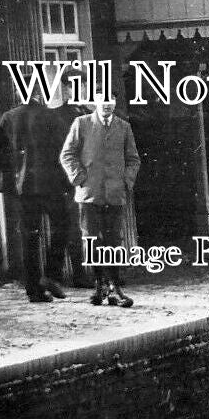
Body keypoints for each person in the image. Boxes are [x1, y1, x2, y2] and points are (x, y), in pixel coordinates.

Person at [0, 66, 82, 303]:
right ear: (39, 91)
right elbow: (64, 151)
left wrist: (15, 168)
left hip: (24, 188)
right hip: (52, 184)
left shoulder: (9, 117)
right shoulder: (52, 116)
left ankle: (33, 291)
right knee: (63, 226)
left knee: (29, 237)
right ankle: (51, 275)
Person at [60, 92, 141, 307]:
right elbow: (67, 154)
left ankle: (115, 288)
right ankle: (99, 286)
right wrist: (80, 178)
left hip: (114, 194)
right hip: (89, 194)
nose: (106, 104)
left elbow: (133, 159)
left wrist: (125, 181)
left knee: (113, 242)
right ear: (94, 102)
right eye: (102, 100)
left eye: (110, 100)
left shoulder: (123, 127)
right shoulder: (82, 123)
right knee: (92, 241)